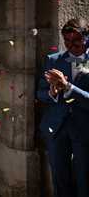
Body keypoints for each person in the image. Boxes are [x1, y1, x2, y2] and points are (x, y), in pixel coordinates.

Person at [37, 19, 89, 197]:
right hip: (56, 128)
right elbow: (40, 93)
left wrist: (68, 87)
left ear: (86, 38)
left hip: (84, 129)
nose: (71, 45)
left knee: (85, 180)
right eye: (66, 41)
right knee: (60, 179)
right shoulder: (53, 60)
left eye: (76, 40)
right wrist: (52, 92)